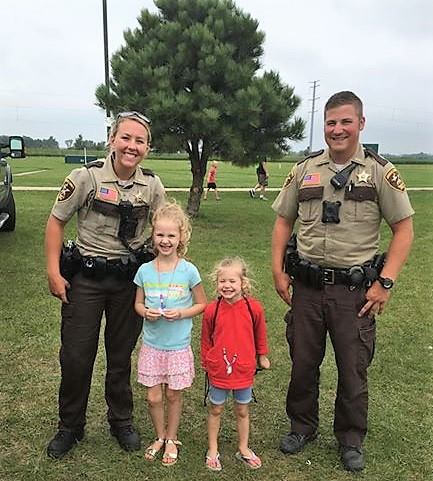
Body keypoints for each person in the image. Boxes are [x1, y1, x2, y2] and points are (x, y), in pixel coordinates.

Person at [271, 91, 414, 472]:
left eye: (345, 122)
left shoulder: (380, 172)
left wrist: (385, 282)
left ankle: (351, 438)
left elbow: (403, 228)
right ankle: (302, 426)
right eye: (331, 122)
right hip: (307, 288)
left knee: (353, 368)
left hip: (354, 293)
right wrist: (277, 269)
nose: (337, 129)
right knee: (303, 362)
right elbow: (284, 220)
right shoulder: (304, 170)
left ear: (361, 124)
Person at [45, 111, 166, 459]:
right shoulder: (86, 177)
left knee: (120, 356)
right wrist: (54, 272)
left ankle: (121, 421)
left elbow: (163, 230)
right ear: (112, 140)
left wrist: (165, 276)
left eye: (140, 141)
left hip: (129, 282)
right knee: (76, 356)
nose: (132, 146)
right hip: (86, 281)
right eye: (126, 138)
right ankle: (70, 426)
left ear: (148, 147)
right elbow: (56, 222)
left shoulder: (153, 185)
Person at [134, 201, 207, 466]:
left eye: (171, 235)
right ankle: (159, 435)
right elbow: (138, 303)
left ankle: (171, 439)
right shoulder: (144, 270)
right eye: (160, 235)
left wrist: (182, 313)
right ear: (153, 235)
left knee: (174, 395)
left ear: (181, 237)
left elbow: (202, 304)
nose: (165, 241)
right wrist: (145, 312)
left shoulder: (188, 270)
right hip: (153, 345)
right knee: (153, 396)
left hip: (177, 345)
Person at [201, 257, 270, 471]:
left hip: (243, 370)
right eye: (222, 281)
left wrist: (262, 355)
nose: (227, 286)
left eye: (232, 281)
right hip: (219, 369)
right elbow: (206, 339)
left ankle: (243, 448)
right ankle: (212, 448)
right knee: (216, 409)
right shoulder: (212, 310)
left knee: (242, 410)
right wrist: (207, 361)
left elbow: (260, 334)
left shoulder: (254, 308)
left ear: (243, 283)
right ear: (217, 282)